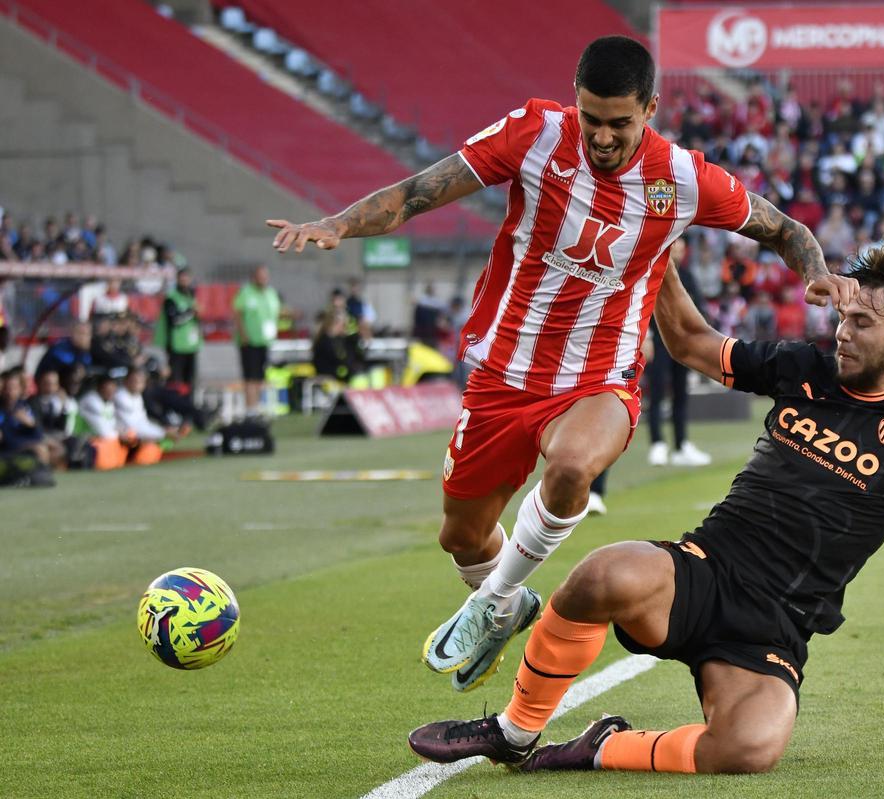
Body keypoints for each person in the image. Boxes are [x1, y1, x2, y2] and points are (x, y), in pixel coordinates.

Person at [267, 35, 854, 693]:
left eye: (619, 123)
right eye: (591, 119)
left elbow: (785, 230)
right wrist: (339, 225)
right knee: (461, 536)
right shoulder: (535, 134)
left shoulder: (683, 179)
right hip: (502, 374)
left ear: (650, 109)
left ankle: (491, 601)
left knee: (574, 466)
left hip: (599, 378)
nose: (602, 137)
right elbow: (418, 193)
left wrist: (816, 274)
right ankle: (508, 603)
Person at [408, 245, 884, 774]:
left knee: (750, 748)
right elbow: (691, 343)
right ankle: (515, 732)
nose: (842, 332)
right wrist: (659, 252)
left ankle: (599, 748)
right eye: (843, 316)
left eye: (862, 323)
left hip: (775, 625)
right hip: (702, 571)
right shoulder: (806, 367)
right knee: (602, 573)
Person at [647, 238, 711, 468]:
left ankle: (681, 444)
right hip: (657, 341)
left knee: (680, 394)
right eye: (676, 247)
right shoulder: (652, 273)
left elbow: (700, 309)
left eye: (682, 249)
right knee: (656, 393)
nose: (679, 252)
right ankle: (657, 443)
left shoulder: (687, 276)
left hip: (682, 343)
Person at [232, 265, 280, 417]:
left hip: (264, 341)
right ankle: (250, 408)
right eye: (261, 276)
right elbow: (238, 314)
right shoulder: (246, 293)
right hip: (249, 342)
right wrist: (243, 334)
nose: (264, 279)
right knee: (250, 376)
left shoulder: (270, 293)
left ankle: (257, 405)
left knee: (260, 376)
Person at [156, 266, 202, 395]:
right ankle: (175, 404)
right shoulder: (171, 298)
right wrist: (191, 311)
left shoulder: (191, 296)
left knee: (190, 379)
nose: (185, 281)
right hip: (176, 345)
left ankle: (188, 405)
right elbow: (175, 320)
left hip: (191, 345)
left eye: (187, 278)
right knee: (176, 379)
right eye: (182, 278)